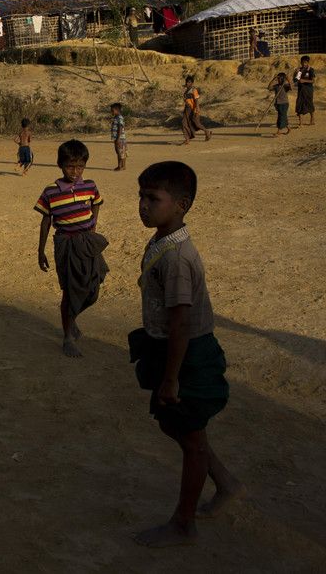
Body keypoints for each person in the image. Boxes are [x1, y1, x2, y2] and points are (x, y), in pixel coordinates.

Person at [131, 161, 241, 547]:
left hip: (186, 354)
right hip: (175, 350)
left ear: (182, 204)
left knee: (190, 438)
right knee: (177, 425)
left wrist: (172, 376)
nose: (143, 205)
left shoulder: (177, 259)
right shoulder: (166, 240)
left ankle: (183, 524)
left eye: (153, 198)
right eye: (141, 196)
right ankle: (225, 483)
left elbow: (180, 323)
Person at [35, 139, 108, 357]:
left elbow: (96, 203)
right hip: (65, 243)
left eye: (80, 166)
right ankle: (68, 336)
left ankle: (72, 317)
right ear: (60, 164)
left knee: (93, 288)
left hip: (87, 241)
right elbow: (46, 221)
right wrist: (40, 251)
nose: (75, 171)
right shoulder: (51, 191)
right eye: (70, 166)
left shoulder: (90, 186)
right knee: (70, 290)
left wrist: (93, 227)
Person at [181, 76, 210, 144]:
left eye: (189, 82)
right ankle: (187, 138)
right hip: (187, 109)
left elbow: (196, 101)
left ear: (192, 83)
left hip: (193, 109)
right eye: (187, 82)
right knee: (184, 123)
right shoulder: (186, 92)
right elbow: (186, 101)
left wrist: (197, 110)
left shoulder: (194, 90)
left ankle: (206, 131)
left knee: (196, 124)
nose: (188, 83)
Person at [294, 55, 315, 127]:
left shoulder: (311, 70)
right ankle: (301, 122)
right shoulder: (300, 70)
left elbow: (312, 81)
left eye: (305, 62)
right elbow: (296, 80)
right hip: (301, 90)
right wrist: (296, 73)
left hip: (308, 90)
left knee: (309, 104)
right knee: (299, 104)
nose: (304, 64)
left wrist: (304, 80)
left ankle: (312, 119)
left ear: (308, 62)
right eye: (302, 62)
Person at [269, 72, 292, 137]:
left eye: (280, 78)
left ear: (283, 79)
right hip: (278, 103)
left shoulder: (285, 86)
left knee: (281, 117)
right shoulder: (276, 86)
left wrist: (288, 80)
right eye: (278, 79)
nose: (278, 80)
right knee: (282, 116)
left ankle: (278, 132)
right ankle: (289, 129)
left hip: (284, 103)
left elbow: (291, 88)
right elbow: (269, 88)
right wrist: (273, 79)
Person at [110, 103, 127, 171]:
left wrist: (118, 138)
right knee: (122, 152)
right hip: (120, 138)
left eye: (112, 110)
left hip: (119, 138)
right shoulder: (117, 117)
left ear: (117, 110)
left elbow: (120, 127)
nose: (111, 112)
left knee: (119, 152)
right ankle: (123, 166)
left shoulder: (119, 118)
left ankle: (120, 166)